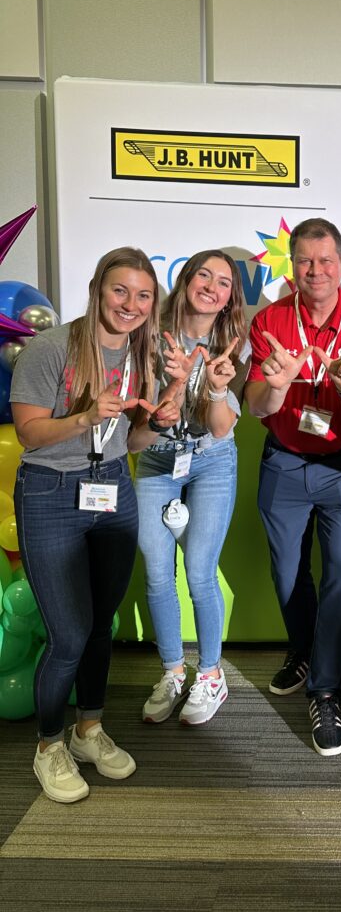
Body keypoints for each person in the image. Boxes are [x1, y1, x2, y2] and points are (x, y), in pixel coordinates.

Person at [10, 247, 181, 804]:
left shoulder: (143, 355)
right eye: (120, 291)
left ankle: (88, 730)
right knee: (67, 636)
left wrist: (158, 423)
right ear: (96, 290)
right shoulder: (50, 347)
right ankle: (48, 746)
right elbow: (32, 435)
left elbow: (130, 442)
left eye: (143, 295)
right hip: (49, 492)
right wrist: (85, 415)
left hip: (111, 487)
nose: (130, 305)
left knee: (100, 625)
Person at [245, 218, 341, 757]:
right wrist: (277, 386)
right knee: (287, 572)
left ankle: (325, 689)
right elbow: (257, 405)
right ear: (293, 266)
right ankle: (303, 648)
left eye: (325, 261)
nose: (315, 271)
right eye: (305, 261)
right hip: (284, 460)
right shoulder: (271, 321)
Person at [136, 251, 250, 726]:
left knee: (199, 572)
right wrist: (174, 384)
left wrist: (215, 388)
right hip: (158, 459)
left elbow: (221, 429)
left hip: (212, 462)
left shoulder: (230, 346)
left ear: (228, 300)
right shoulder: (147, 334)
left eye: (223, 283)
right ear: (184, 280)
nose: (211, 286)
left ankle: (210, 675)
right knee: (158, 572)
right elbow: (138, 425)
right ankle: (171, 672)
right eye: (204, 274)